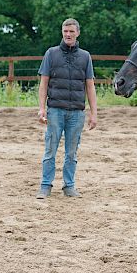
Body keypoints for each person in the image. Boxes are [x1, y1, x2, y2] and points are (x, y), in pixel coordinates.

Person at [36, 18, 98, 198]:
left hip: (77, 112)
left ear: (78, 33)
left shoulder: (85, 56)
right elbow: (43, 83)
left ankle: (69, 185)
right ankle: (45, 185)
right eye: (65, 32)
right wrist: (41, 108)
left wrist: (94, 113)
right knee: (50, 149)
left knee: (72, 152)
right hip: (55, 110)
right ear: (62, 33)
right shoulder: (51, 53)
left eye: (71, 31)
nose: (68, 34)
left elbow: (90, 86)